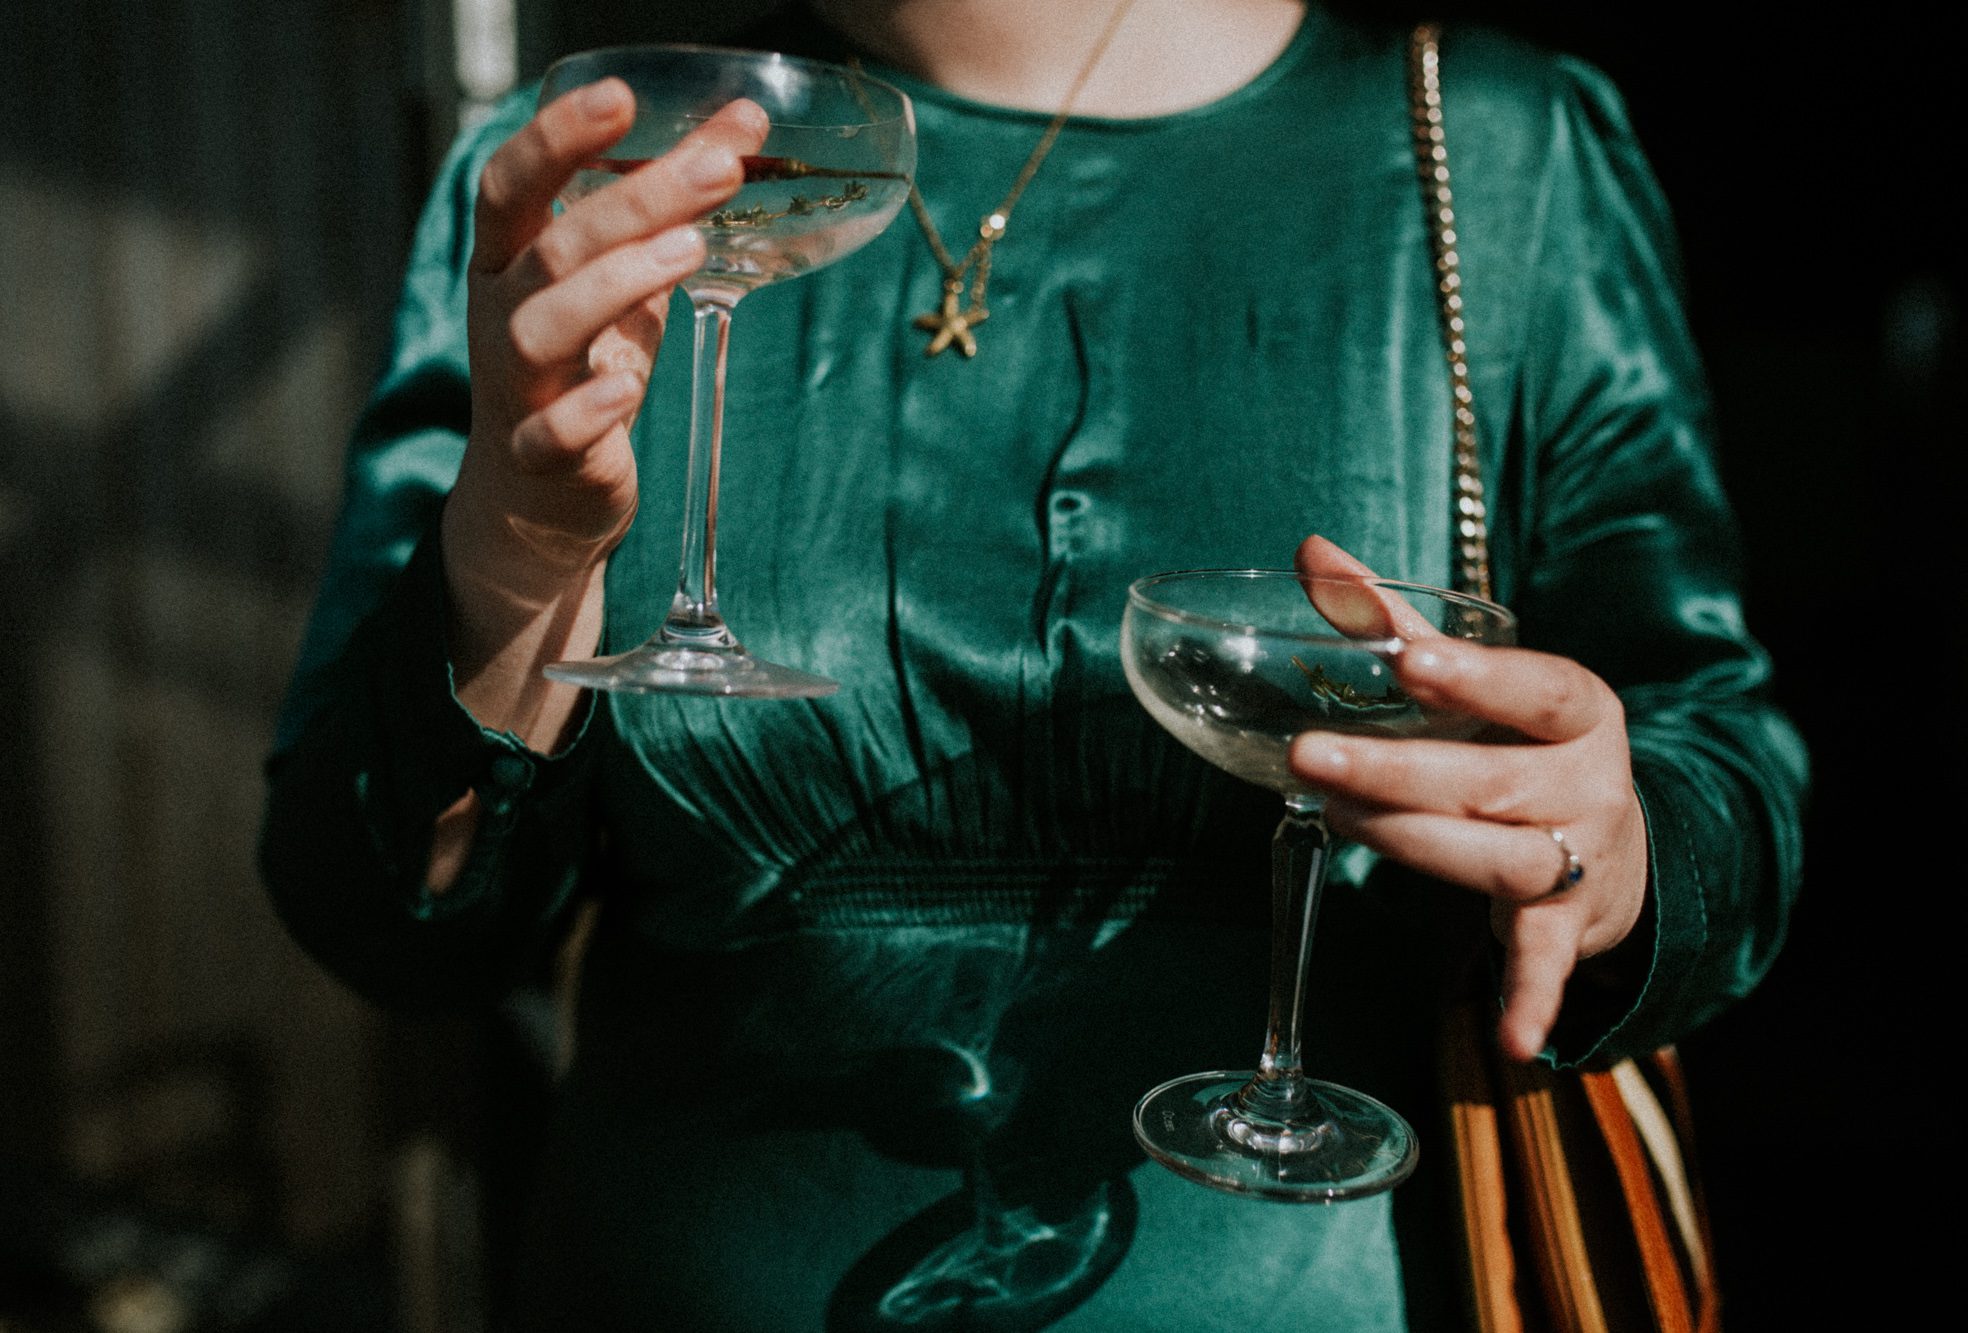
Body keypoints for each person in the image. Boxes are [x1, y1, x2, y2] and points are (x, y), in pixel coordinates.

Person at [260, 1, 1807, 1327]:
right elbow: (389, 922)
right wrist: (516, 566)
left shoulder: (1500, 156)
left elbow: (1720, 760)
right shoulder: (606, 181)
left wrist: (1615, 844)